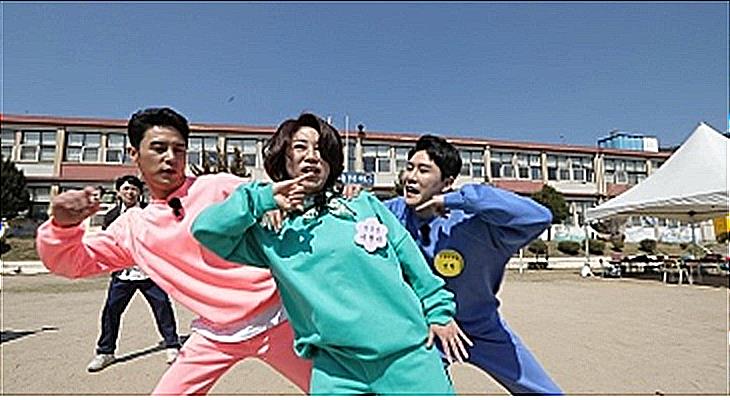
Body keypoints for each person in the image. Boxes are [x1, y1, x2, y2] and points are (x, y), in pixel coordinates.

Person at [191, 113, 472, 395]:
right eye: (300, 147)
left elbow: (414, 265)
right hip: (336, 370)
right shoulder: (271, 231)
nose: (313, 156)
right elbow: (207, 230)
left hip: (408, 356)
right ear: (283, 157)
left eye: (321, 149)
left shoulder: (362, 204)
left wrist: (439, 312)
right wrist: (261, 199)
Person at [35, 107, 311, 394]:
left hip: (279, 319)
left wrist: (271, 204)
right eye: (158, 148)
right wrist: (62, 227)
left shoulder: (217, 187)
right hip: (214, 334)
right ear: (134, 154)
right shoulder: (133, 228)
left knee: (334, 390)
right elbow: (74, 263)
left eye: (179, 150)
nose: (170, 157)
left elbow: (269, 195)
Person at [383, 135, 563, 395]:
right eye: (409, 167)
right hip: (425, 332)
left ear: (447, 182)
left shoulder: (475, 222)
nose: (410, 177)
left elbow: (540, 217)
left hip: (482, 328)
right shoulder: (391, 215)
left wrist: (454, 200)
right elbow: (350, 217)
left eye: (423, 170)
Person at [86, 175, 181, 372]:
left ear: (140, 192)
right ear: (119, 192)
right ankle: (105, 352)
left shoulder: (149, 212)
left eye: (134, 189)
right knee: (111, 311)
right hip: (123, 274)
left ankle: (172, 345)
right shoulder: (111, 215)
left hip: (149, 272)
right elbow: (109, 242)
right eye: (126, 189)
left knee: (162, 307)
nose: (130, 192)